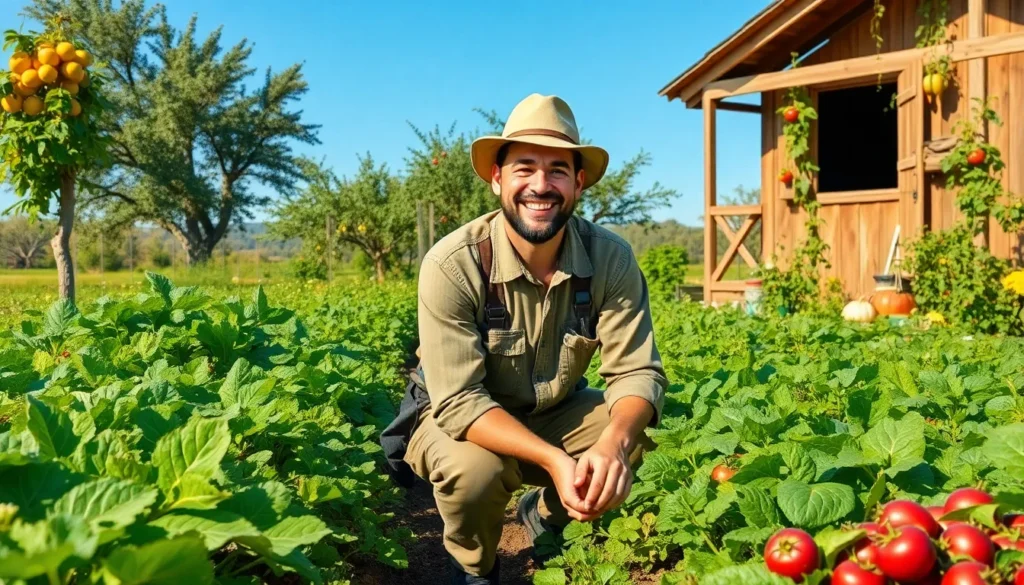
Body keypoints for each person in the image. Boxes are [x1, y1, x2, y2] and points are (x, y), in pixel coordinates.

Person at [381, 93, 668, 584]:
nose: (541, 185)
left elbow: (637, 372)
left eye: (557, 170)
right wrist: (554, 459)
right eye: (524, 168)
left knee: (639, 430)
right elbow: (459, 403)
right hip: (458, 417)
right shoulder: (455, 263)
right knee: (476, 474)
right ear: (497, 178)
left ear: (578, 183)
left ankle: (545, 516)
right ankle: (477, 568)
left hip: (553, 408)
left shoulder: (610, 259)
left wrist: (614, 443)